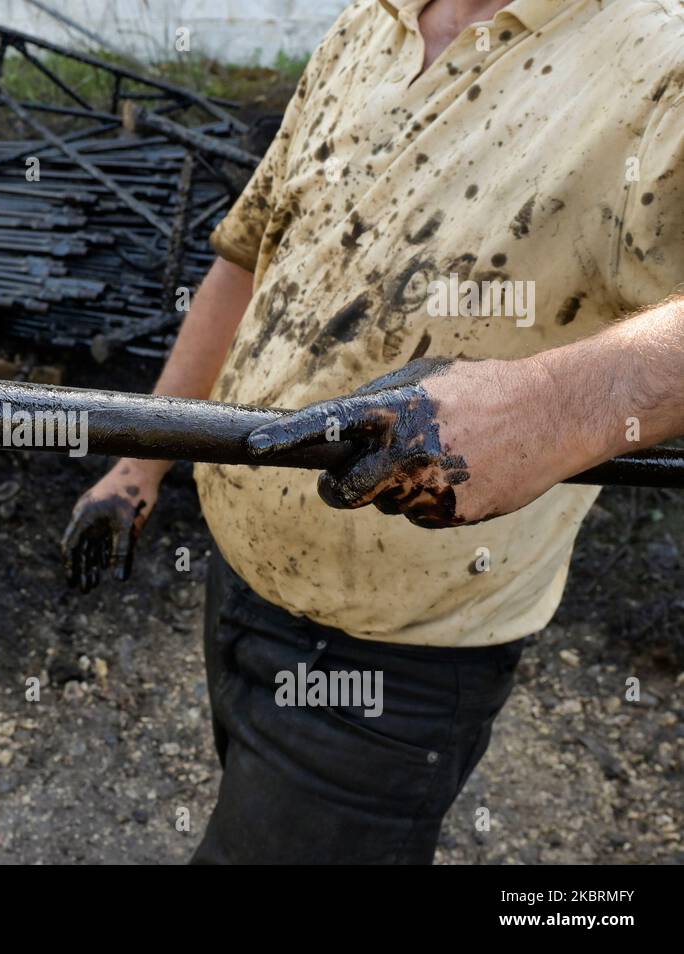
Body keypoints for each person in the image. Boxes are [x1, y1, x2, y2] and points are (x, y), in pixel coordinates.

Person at [61, 0, 684, 863]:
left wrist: (558, 405)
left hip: (401, 656)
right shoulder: (371, 23)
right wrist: (140, 466)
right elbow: (248, 259)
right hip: (242, 582)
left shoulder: (658, 63)